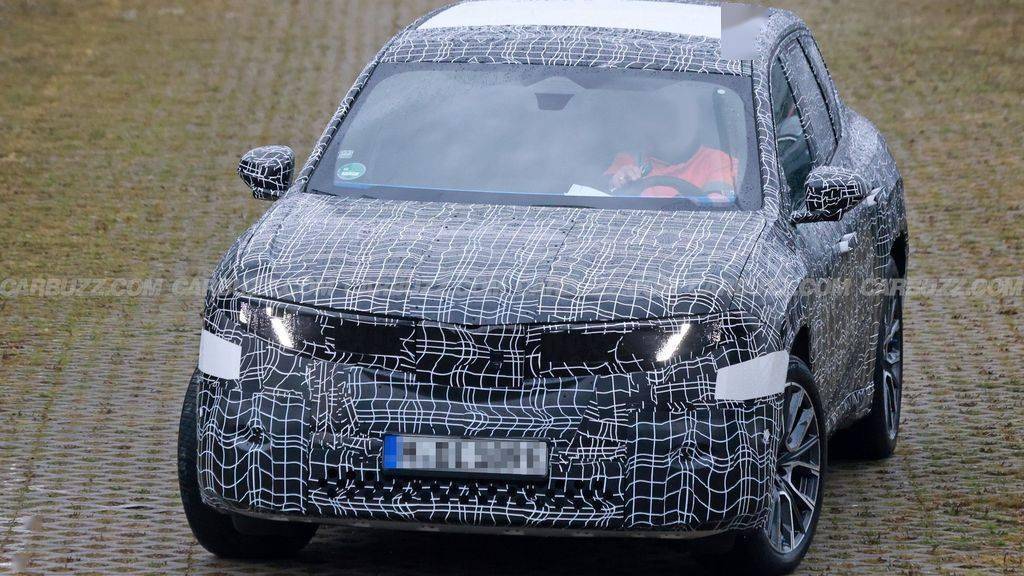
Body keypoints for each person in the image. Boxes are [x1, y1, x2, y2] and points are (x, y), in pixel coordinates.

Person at [605, 95, 738, 202]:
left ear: (696, 125)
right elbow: (603, 191)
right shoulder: (630, 159)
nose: (669, 126)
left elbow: (720, 204)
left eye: (677, 118)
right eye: (662, 118)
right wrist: (618, 181)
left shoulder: (719, 161)